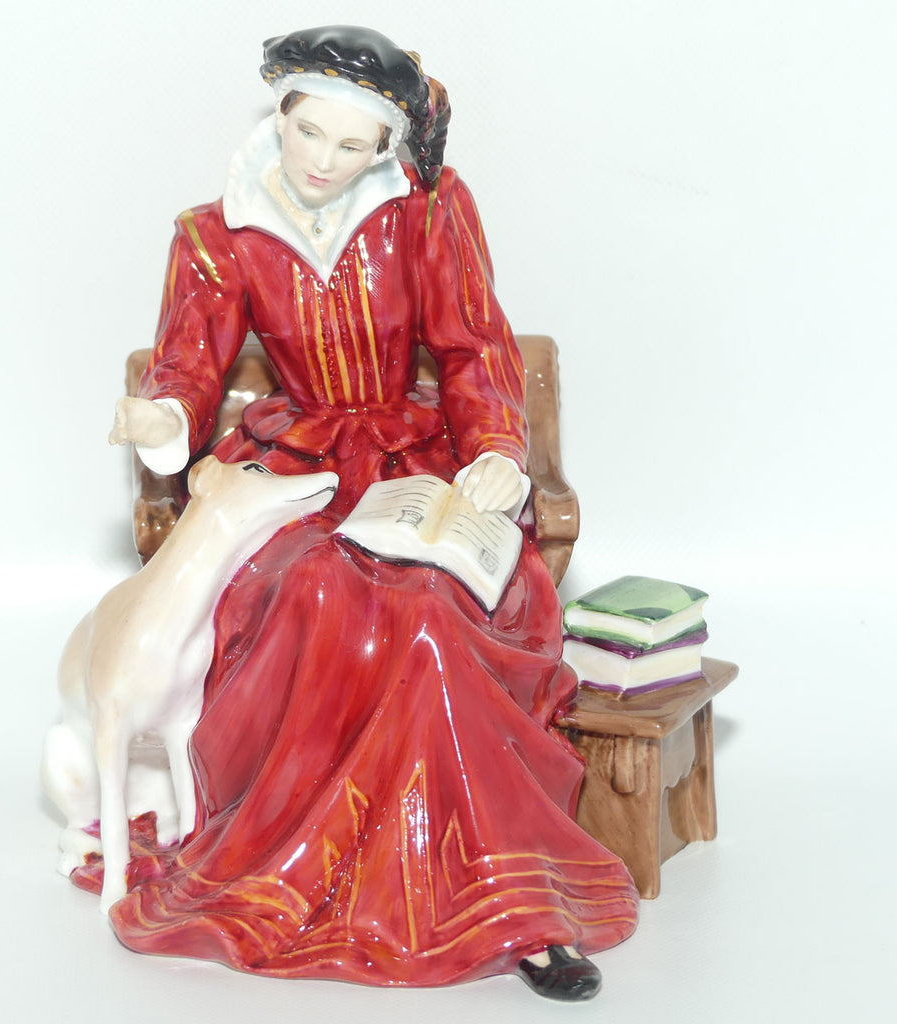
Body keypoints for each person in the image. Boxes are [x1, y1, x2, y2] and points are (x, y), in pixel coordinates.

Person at [103, 25, 638, 1000]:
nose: (323, 160)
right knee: (316, 591)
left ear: (386, 146)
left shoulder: (426, 211)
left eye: (352, 145)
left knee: (435, 611)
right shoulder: (216, 233)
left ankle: (510, 904)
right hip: (294, 470)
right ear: (280, 115)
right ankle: (316, 871)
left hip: (411, 460)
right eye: (309, 132)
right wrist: (163, 420)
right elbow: (188, 366)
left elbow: (473, 347)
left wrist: (495, 452)